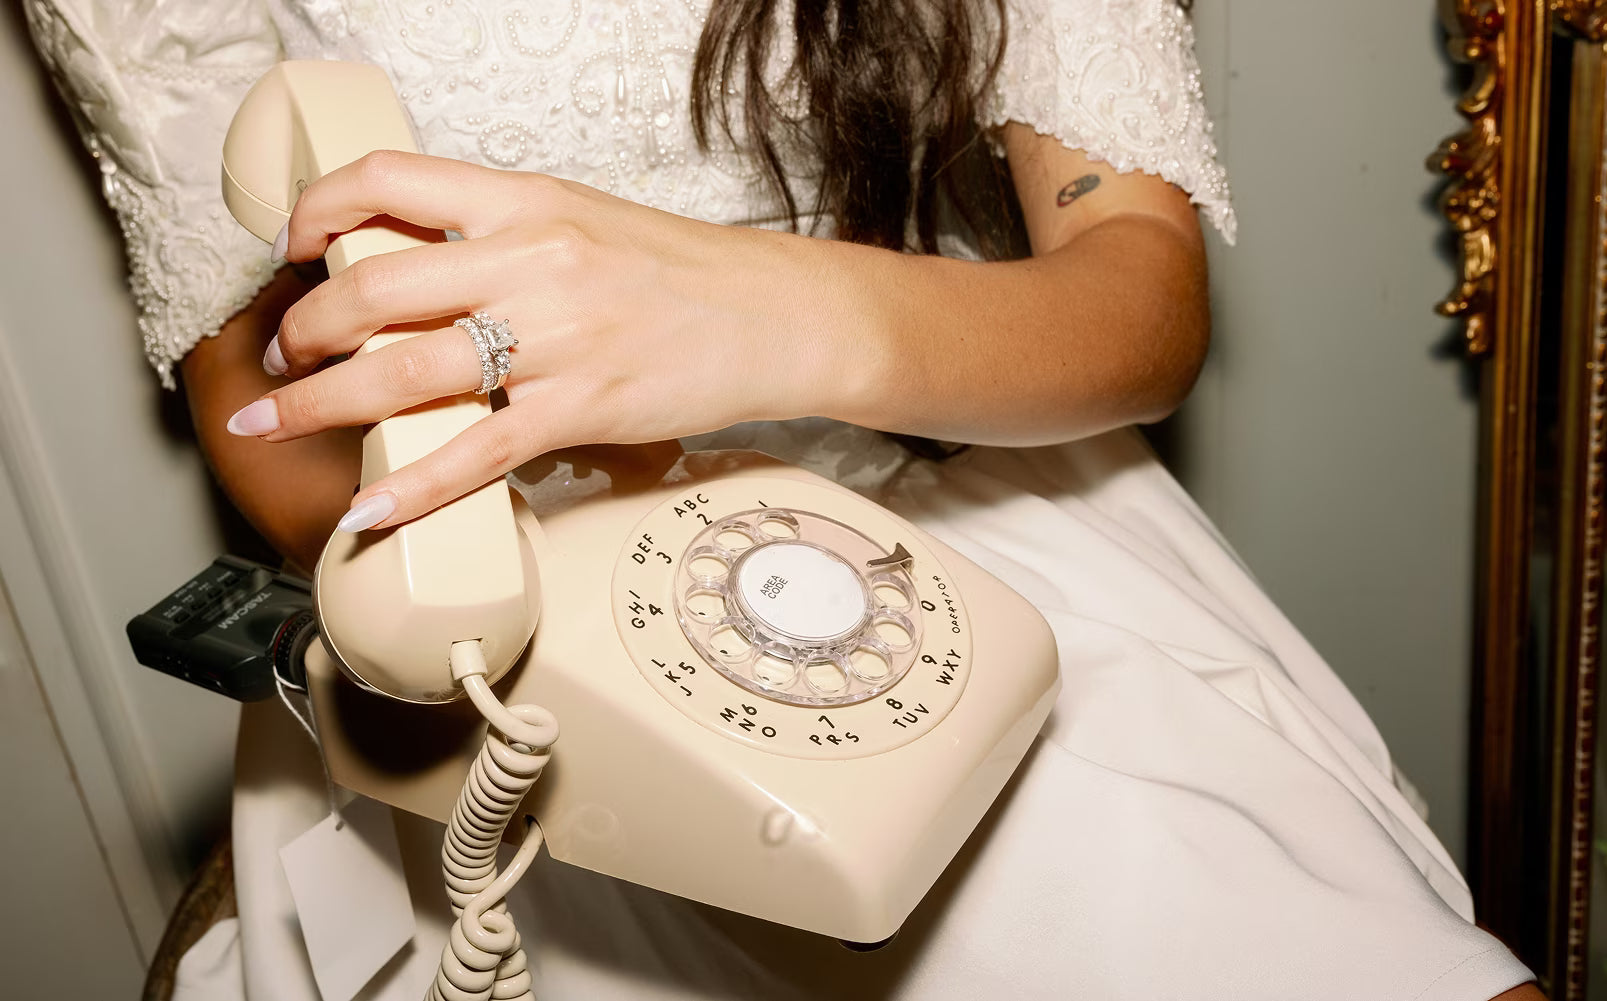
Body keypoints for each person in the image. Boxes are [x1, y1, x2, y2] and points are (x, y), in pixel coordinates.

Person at [25, 0, 1541, 998]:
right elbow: (257, 392)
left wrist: (752, 318)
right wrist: (459, 566)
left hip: (944, 497)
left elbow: (1143, 301)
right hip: (510, 571)